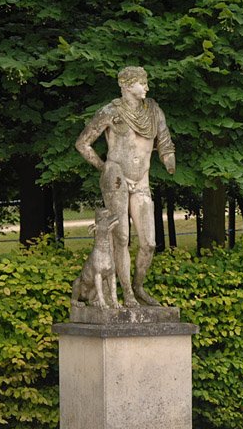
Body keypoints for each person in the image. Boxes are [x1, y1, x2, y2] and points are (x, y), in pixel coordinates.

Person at [75, 66, 175, 307]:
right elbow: (83, 144)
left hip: (142, 180)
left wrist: (169, 159)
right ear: (128, 85)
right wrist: (105, 168)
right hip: (116, 179)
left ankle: (139, 287)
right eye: (143, 83)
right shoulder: (109, 112)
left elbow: (165, 142)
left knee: (149, 243)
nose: (147, 87)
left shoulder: (154, 111)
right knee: (121, 238)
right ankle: (127, 293)